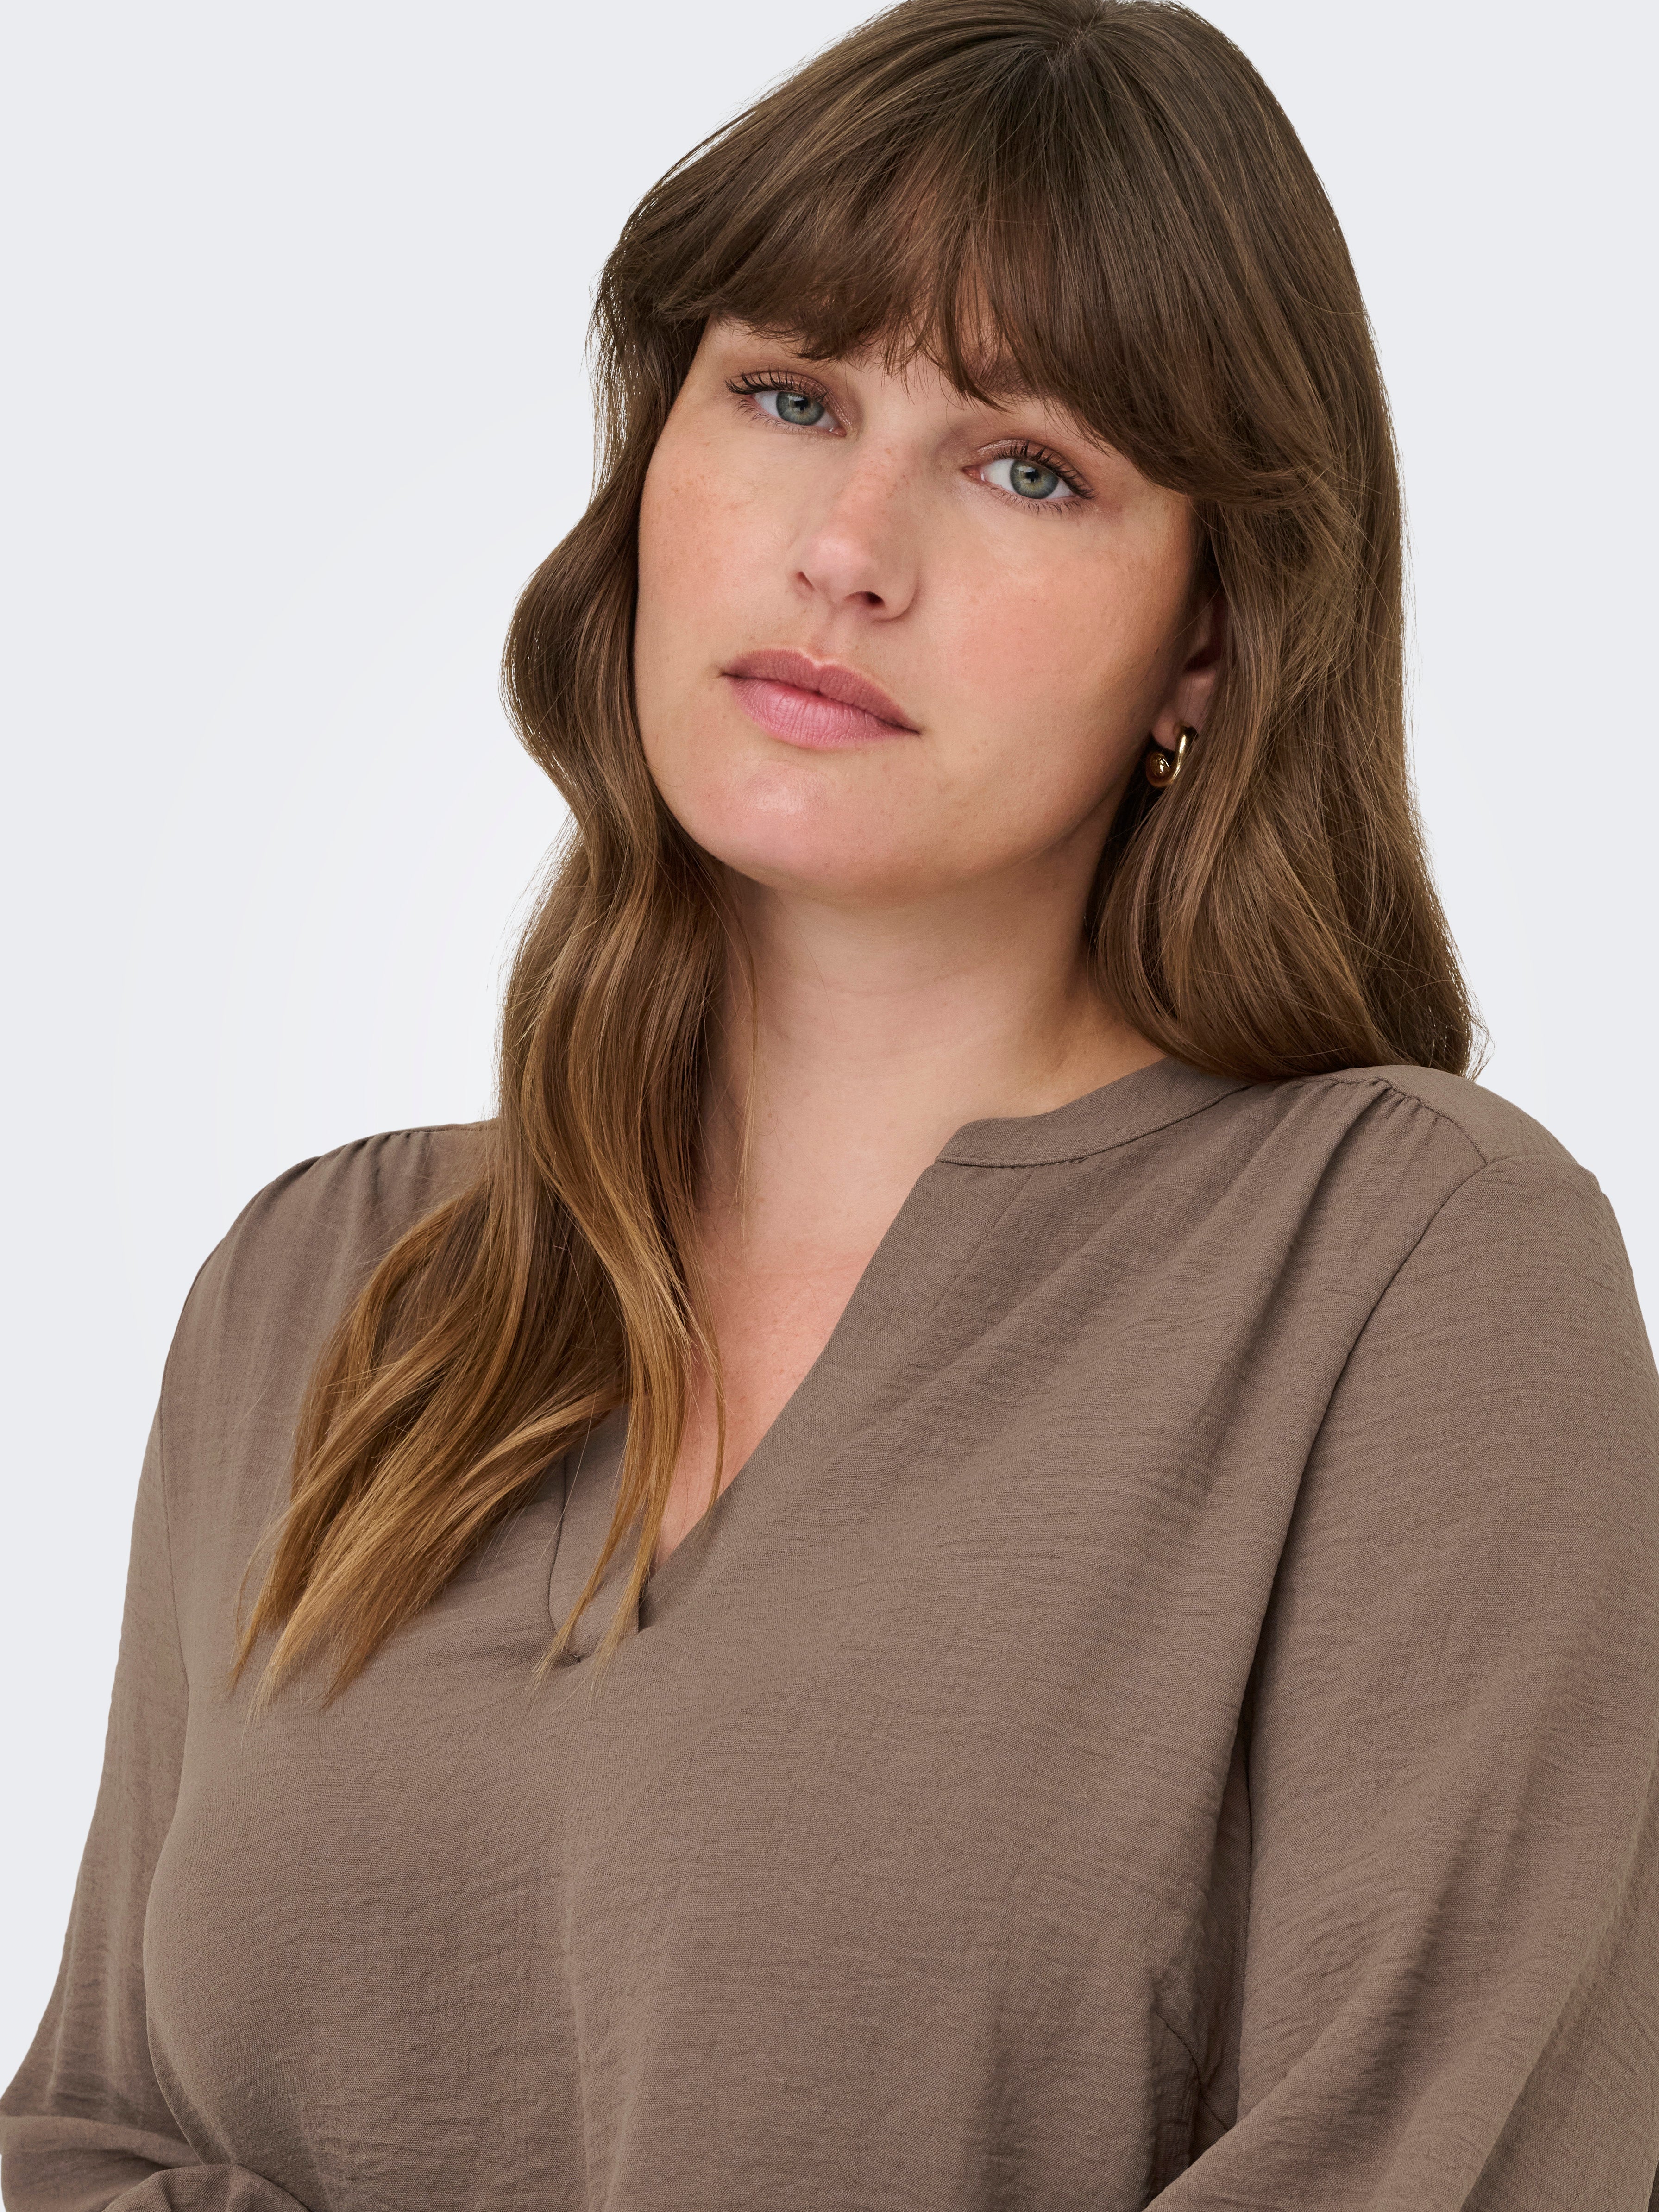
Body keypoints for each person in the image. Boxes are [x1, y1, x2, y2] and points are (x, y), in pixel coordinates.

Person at [5, 0, 1658, 2204]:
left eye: (1026, 467)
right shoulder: (325, 1288)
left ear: (1203, 641)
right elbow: (84, 2137)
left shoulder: (1405, 1270)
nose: (847, 549)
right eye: (788, 397)